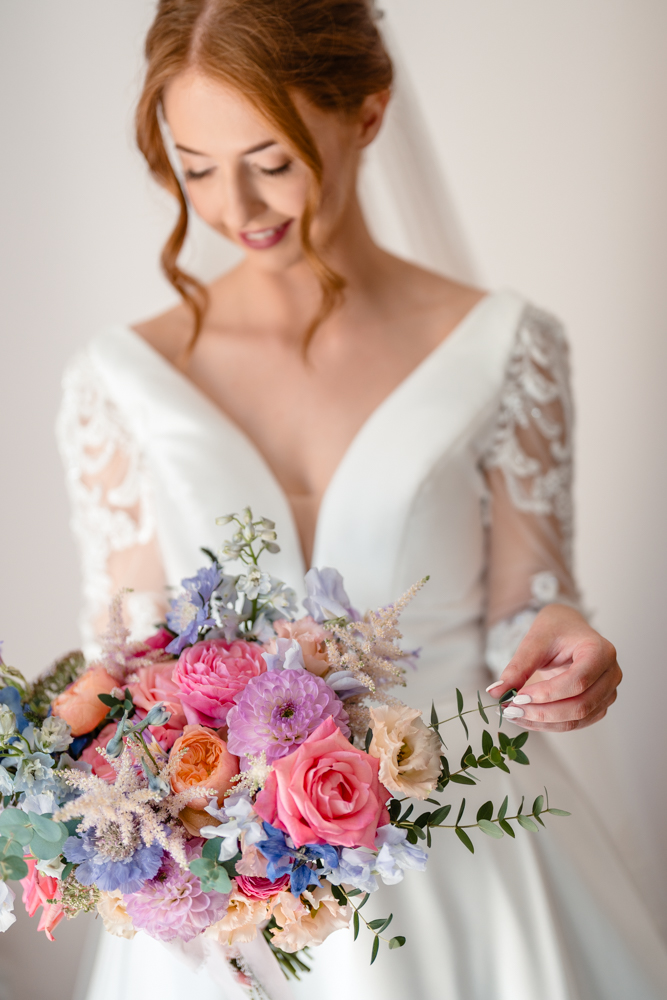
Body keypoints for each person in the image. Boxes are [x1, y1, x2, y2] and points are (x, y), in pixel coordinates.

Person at [56, 2, 667, 998]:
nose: (233, 204)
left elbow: (531, 605)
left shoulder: (504, 346)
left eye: (273, 155)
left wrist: (562, 638)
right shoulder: (119, 381)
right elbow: (122, 662)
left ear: (368, 115)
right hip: (229, 898)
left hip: (466, 842)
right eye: (195, 164)